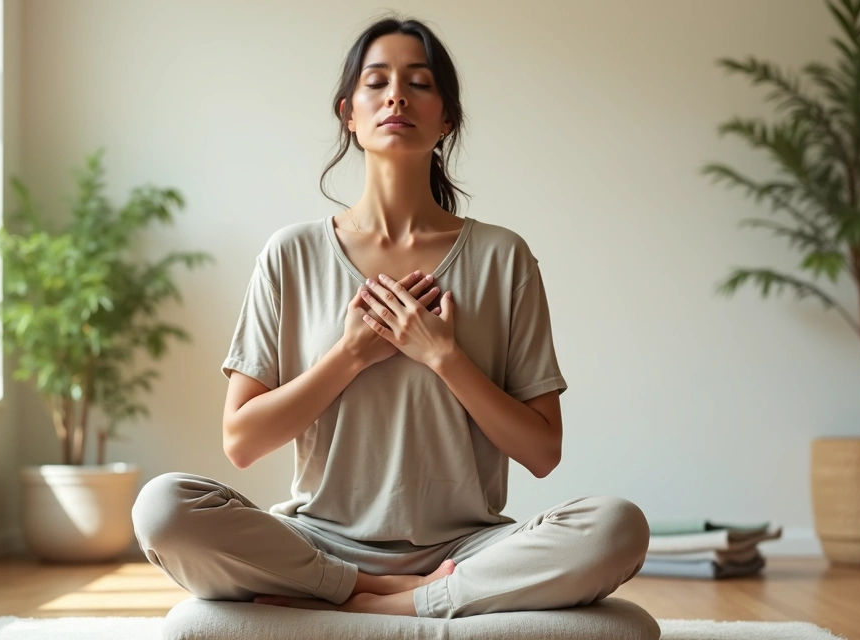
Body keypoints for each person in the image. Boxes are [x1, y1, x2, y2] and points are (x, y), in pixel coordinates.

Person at [131, 15, 648, 619]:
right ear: (348, 112)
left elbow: (541, 452)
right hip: (317, 541)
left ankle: (390, 600)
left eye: (419, 83)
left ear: (447, 117)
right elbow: (242, 441)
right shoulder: (290, 253)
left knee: (616, 528)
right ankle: (371, 591)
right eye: (377, 82)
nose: (396, 95)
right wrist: (351, 354)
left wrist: (444, 357)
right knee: (163, 508)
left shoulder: (503, 256)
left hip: (469, 547)